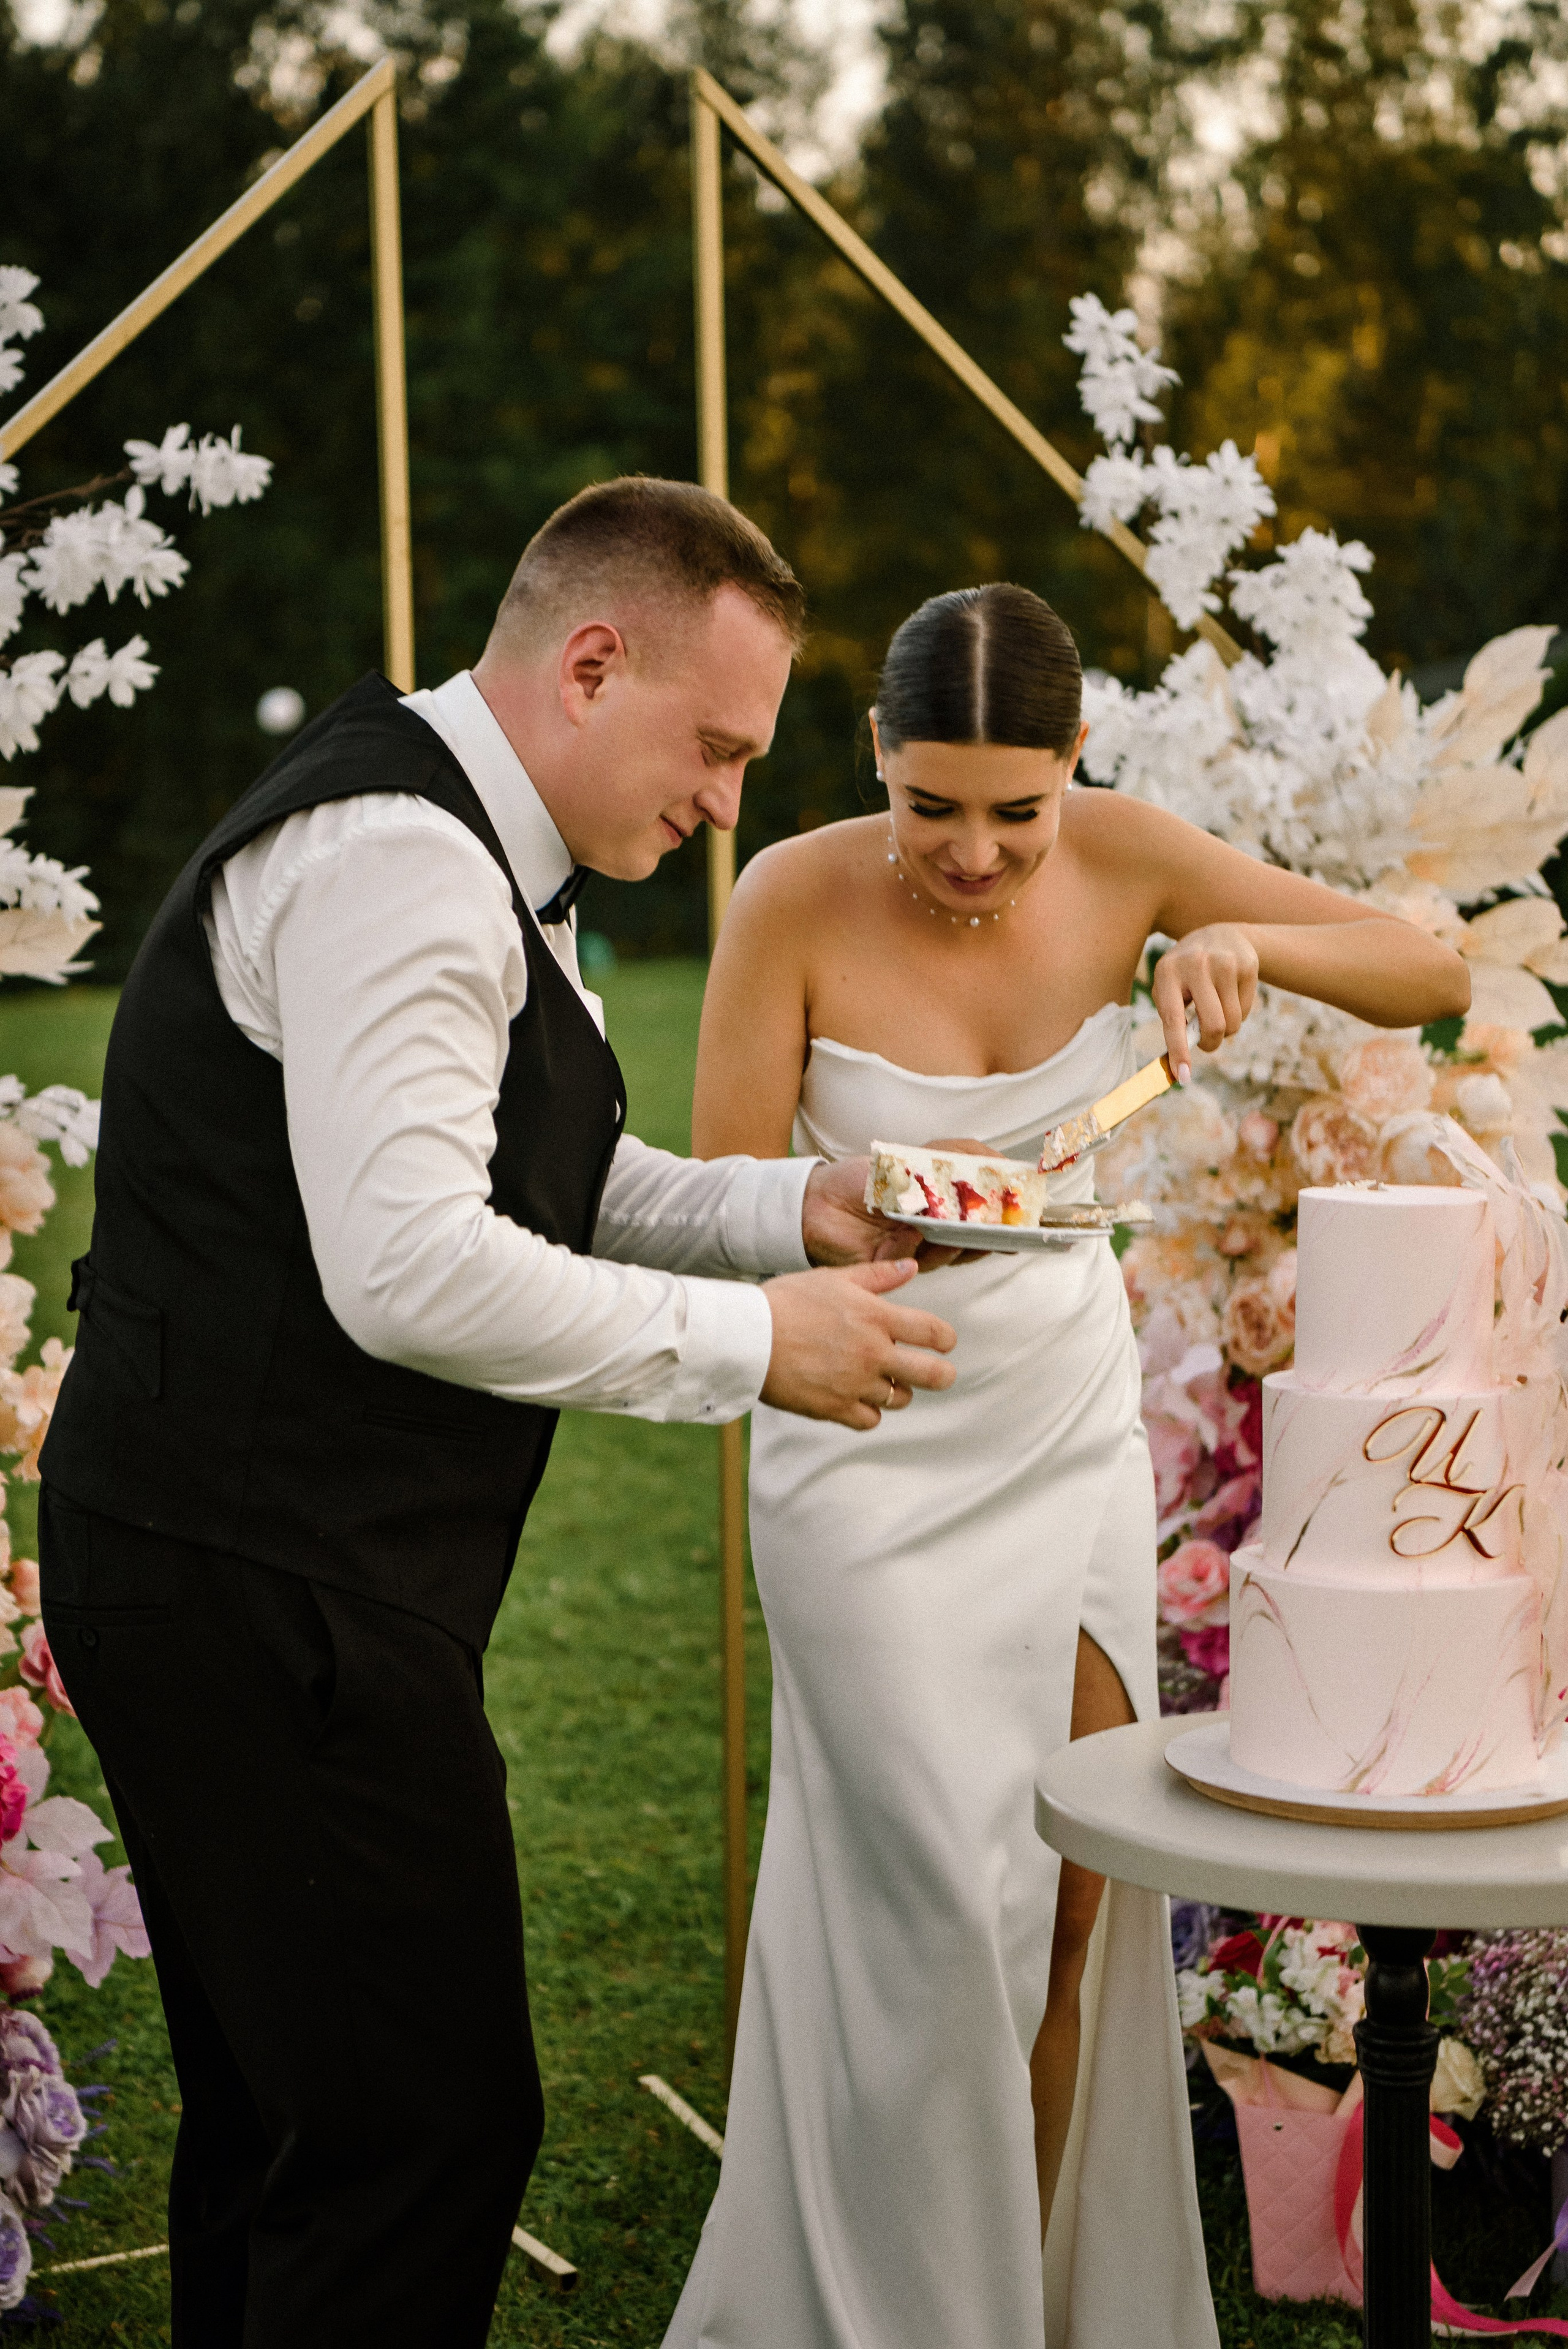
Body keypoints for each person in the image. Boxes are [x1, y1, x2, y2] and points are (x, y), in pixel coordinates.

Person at [36, 479, 960, 2349]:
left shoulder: (469, 849)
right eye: (712, 749)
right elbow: (410, 1265)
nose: (721, 804)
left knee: (290, 2117)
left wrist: (799, 1212)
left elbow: (567, 1170)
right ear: (590, 659)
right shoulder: (404, 859)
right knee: (425, 2128)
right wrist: (754, 1347)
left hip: (244, 1556)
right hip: (258, 1581)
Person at [665, 581, 1471, 2349]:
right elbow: (718, 1206)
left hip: (1064, 1448)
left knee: (1074, 1913)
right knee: (939, 1922)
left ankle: (1024, 2315)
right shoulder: (784, 897)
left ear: (1074, 767)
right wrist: (835, 1231)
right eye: (928, 805)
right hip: (864, 1457)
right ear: (872, 757)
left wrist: (1244, 951)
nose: (973, 854)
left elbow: (1431, 963)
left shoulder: (1127, 858)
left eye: (1014, 811)